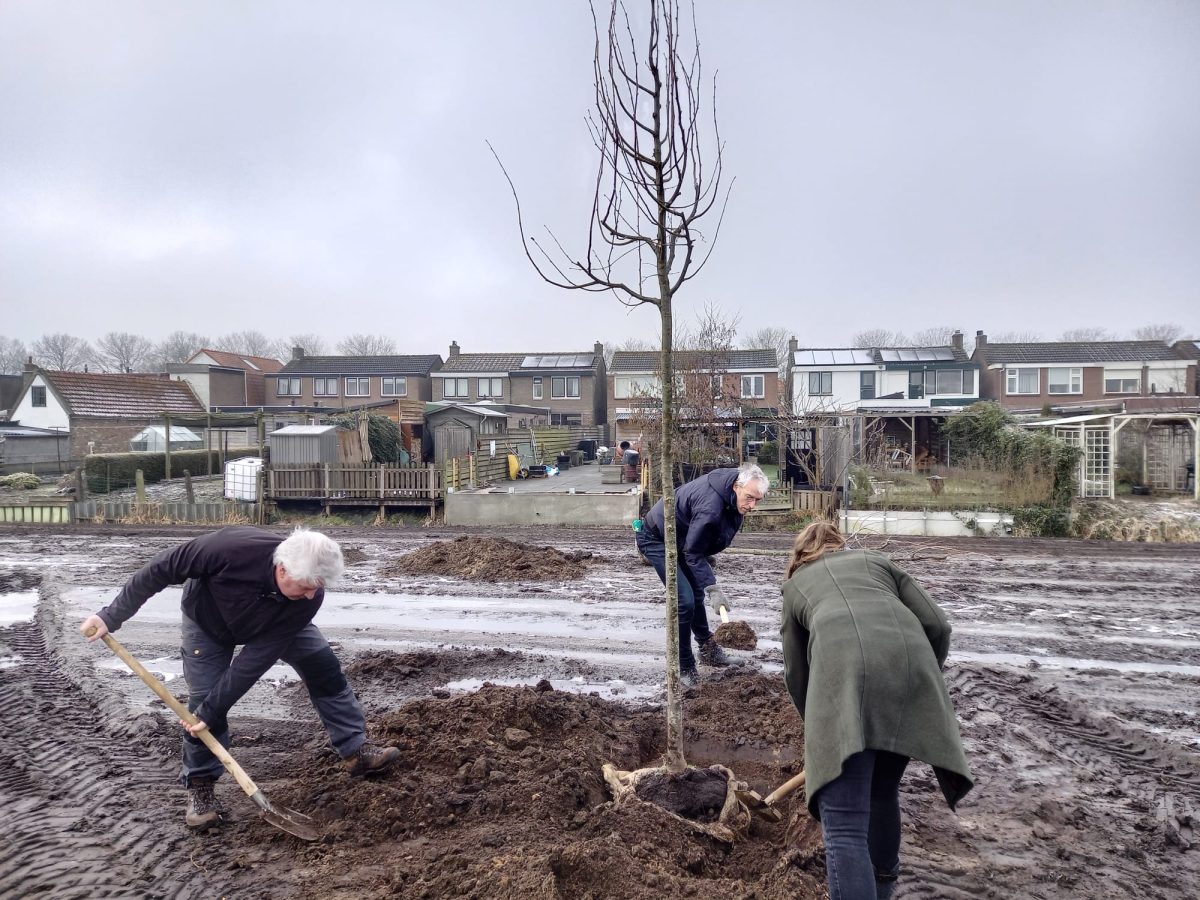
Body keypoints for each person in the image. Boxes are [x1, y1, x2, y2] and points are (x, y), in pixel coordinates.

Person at [80, 525, 400, 831]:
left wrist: (212, 710)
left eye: (317, 588)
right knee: (204, 700)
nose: (311, 595)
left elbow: (253, 661)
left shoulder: (307, 597)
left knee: (324, 668)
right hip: (208, 623)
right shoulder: (230, 548)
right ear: (283, 569)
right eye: (306, 586)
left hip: (274, 625)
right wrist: (111, 616)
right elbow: (160, 569)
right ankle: (201, 791)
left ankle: (356, 750)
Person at [779, 521, 973, 899]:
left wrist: (823, 730)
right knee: (882, 793)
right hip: (910, 675)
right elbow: (938, 625)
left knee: (846, 826)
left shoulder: (796, 586)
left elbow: (795, 673)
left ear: (800, 556)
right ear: (841, 544)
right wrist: (917, 679)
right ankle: (883, 891)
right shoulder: (877, 561)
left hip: (846, 681)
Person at [635, 462, 769, 685]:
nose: (752, 505)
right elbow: (694, 551)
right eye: (749, 498)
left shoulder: (733, 490)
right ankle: (684, 666)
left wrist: (706, 553)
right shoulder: (711, 506)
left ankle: (708, 651)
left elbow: (701, 542)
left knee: (696, 594)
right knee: (684, 601)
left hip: (682, 540)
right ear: (737, 486)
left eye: (757, 500)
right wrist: (713, 588)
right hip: (657, 538)